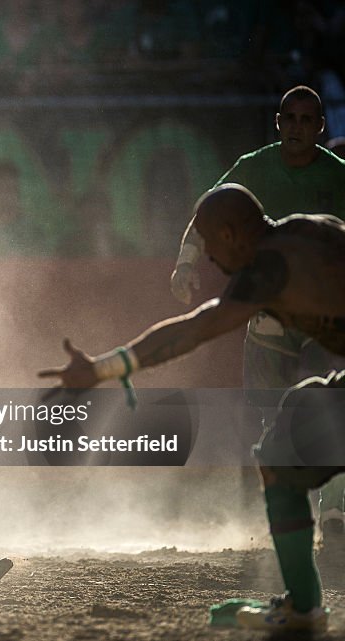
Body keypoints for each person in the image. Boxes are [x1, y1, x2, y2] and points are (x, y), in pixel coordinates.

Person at [40, 183, 345, 632]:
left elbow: (195, 330)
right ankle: (303, 610)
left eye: (207, 243)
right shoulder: (314, 229)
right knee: (291, 430)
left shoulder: (265, 267)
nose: (210, 261)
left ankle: (304, 613)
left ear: (230, 232)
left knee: (281, 458)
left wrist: (104, 370)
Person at [169, 85, 345, 536]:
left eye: (308, 121)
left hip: (326, 313)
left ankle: (333, 511)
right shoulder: (253, 168)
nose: (298, 128)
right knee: (271, 414)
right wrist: (186, 264)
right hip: (269, 313)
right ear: (278, 123)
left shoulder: (338, 175)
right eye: (291, 119)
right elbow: (204, 214)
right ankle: (291, 507)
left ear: (321, 128)